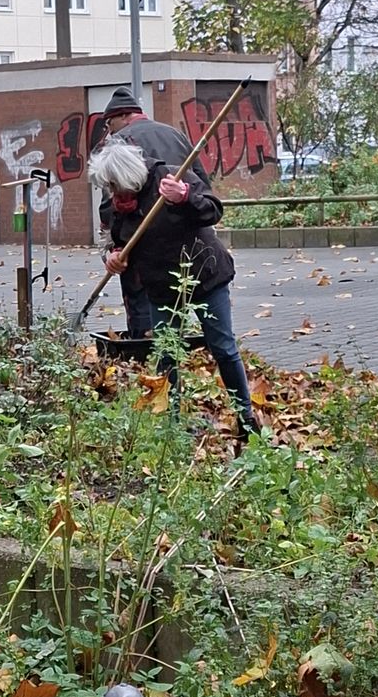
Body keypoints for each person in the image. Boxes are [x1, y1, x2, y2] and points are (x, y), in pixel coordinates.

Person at [88, 85, 261, 440]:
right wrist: (114, 258)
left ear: (130, 178)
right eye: (109, 189)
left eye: (116, 188)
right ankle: (172, 429)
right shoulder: (116, 201)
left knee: (223, 347)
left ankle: (247, 423)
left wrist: (184, 198)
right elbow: (117, 239)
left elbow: (212, 209)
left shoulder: (169, 177)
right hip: (161, 284)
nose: (113, 195)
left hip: (203, 274)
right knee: (167, 353)